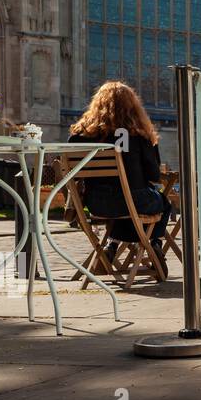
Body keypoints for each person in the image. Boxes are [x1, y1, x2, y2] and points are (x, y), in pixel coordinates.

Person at [68, 81, 170, 272]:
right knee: (162, 203)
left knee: (124, 206)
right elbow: (154, 175)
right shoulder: (139, 136)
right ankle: (154, 243)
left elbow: (69, 172)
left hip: (96, 203)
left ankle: (111, 247)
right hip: (134, 201)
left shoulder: (80, 136)